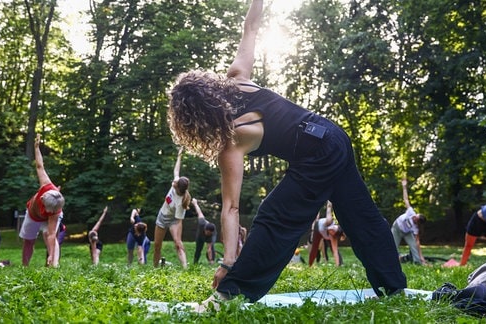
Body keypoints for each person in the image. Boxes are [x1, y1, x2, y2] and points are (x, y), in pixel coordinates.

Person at [167, 0, 406, 304]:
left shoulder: (232, 139)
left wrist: (228, 263)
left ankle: (230, 295)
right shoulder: (237, 76)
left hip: (319, 151)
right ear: (209, 88)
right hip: (333, 135)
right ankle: (394, 287)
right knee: (358, 215)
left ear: (194, 123)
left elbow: (230, 207)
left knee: (275, 215)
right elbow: (250, 27)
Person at [20, 134, 65, 267]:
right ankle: (25, 267)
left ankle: (54, 266)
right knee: (29, 241)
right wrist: (36, 147)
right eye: (47, 209)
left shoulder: (55, 210)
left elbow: (51, 235)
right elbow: (40, 166)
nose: (47, 212)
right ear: (42, 198)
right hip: (33, 215)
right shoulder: (45, 184)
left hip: (51, 218)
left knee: (49, 235)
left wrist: (51, 254)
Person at [152, 147, 191, 269]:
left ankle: (185, 268)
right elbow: (176, 170)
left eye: (175, 184)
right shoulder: (176, 183)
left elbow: (179, 221)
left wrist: (177, 238)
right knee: (157, 245)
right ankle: (155, 269)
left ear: (179, 189)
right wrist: (179, 155)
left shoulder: (181, 203)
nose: (173, 183)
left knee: (178, 244)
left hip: (174, 220)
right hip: (162, 216)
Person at [391, 178, 427, 265]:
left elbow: (417, 243)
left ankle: (418, 262)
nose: (414, 217)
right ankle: (391, 260)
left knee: (413, 245)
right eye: (416, 215)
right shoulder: (411, 212)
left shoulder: (416, 228)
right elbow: (406, 199)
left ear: (418, 222)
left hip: (406, 232)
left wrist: (422, 258)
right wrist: (404, 187)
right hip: (397, 228)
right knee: (391, 245)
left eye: (416, 219)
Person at [308, 201, 344, 267]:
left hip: (325, 234)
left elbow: (335, 251)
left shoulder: (333, 238)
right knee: (315, 248)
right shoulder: (329, 221)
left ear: (334, 234)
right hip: (318, 228)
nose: (331, 228)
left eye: (332, 231)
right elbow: (329, 207)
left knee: (334, 249)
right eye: (333, 227)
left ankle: (340, 264)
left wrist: (337, 266)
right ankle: (310, 265)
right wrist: (330, 200)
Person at [192, 198, 217, 265]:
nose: (208, 234)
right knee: (198, 249)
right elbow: (199, 212)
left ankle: (211, 261)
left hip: (210, 236)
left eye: (210, 233)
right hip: (200, 236)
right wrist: (195, 203)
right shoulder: (202, 222)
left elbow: (208, 249)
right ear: (205, 230)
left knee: (211, 248)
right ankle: (195, 263)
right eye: (208, 233)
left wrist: (211, 260)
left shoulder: (211, 235)